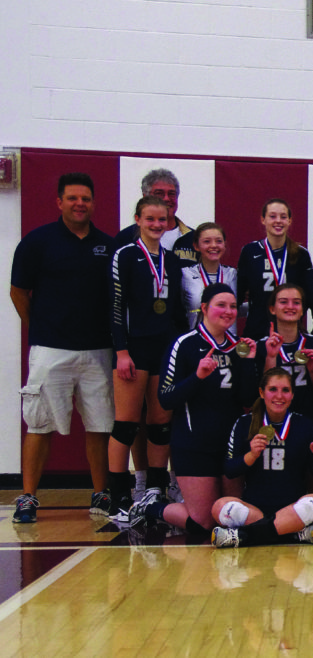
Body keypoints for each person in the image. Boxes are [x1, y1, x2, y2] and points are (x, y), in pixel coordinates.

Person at [10, 172, 116, 522]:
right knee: (39, 424)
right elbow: (18, 292)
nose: (79, 203)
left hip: (98, 350)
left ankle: (101, 495)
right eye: (72, 198)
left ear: (93, 203)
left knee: (100, 426)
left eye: (85, 198)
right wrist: (40, 328)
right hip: (50, 349)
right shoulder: (37, 242)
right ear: (59, 201)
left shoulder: (108, 245)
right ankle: (27, 497)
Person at [141, 283, 258, 533]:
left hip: (231, 445)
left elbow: (248, 398)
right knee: (203, 523)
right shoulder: (185, 344)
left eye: (233, 307)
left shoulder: (239, 347)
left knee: (229, 516)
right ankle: (149, 508)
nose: (228, 311)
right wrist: (197, 376)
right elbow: (166, 399)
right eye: (221, 305)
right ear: (204, 308)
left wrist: (248, 362)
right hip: (194, 445)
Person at [106, 196, 188, 518]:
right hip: (133, 350)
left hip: (163, 350)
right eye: (149, 219)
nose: (156, 225)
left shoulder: (172, 260)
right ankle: (118, 497)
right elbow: (114, 306)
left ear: (169, 223)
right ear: (138, 219)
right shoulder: (124, 255)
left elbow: (177, 311)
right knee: (126, 425)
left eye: (162, 220)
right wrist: (121, 351)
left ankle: (155, 489)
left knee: (159, 425)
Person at [208, 367, 313, 547]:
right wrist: (251, 455)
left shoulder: (304, 425)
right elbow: (230, 470)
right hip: (254, 510)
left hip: (292, 509)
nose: (279, 396)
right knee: (219, 506)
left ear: (292, 395)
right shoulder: (244, 423)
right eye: (273, 389)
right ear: (261, 392)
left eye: (285, 390)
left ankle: (245, 536)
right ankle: (290, 534)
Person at [237, 198, 313, 340]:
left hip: (291, 330)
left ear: (289, 221)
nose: (278, 221)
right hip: (257, 328)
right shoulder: (250, 251)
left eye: (283, 217)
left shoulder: (301, 254)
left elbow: (307, 297)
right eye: (272, 216)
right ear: (263, 219)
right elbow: (239, 292)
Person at [255, 284, 313, 423]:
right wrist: (271, 357)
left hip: (307, 417)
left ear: (302, 310)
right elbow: (261, 390)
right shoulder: (261, 346)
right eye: (283, 302)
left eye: (296, 302)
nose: (290, 306)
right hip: (273, 418)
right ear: (272, 309)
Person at [115, 168, 196, 262]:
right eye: (159, 193)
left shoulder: (195, 238)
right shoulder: (126, 237)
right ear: (145, 197)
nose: (166, 198)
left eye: (171, 194)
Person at [181, 222, 238, 330]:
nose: (213, 245)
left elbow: (238, 308)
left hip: (228, 342)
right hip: (197, 342)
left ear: (224, 245)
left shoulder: (232, 274)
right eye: (207, 241)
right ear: (196, 246)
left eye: (219, 241)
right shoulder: (186, 275)